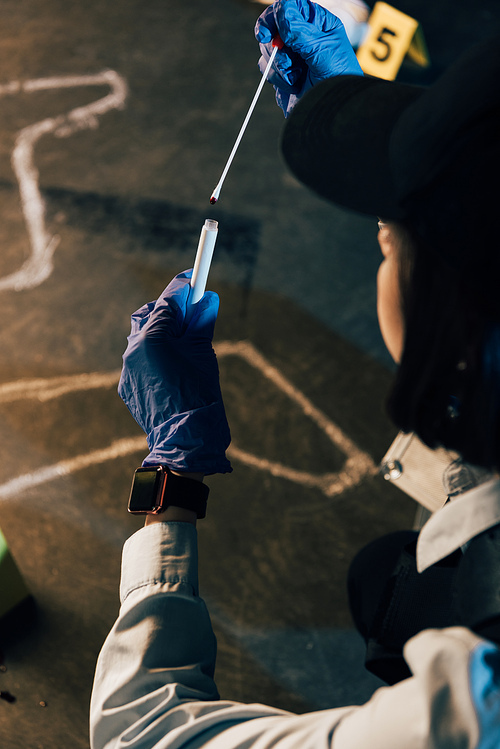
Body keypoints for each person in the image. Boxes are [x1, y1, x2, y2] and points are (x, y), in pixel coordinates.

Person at [89, 0, 500, 746]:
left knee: (392, 585)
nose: (378, 229)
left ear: (460, 328)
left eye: (390, 242)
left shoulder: (467, 710)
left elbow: (141, 728)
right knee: (387, 575)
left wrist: (171, 480)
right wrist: (350, 105)